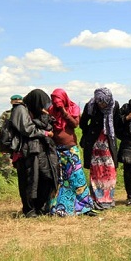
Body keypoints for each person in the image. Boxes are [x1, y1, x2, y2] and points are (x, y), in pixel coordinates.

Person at [48, 88, 97, 217]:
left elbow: (75, 124)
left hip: (70, 149)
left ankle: (84, 207)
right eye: (54, 101)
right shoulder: (51, 111)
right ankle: (61, 208)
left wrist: (63, 112)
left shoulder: (73, 107)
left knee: (77, 177)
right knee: (61, 179)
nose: (56, 104)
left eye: (58, 101)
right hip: (56, 149)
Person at [11, 89, 59, 218]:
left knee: (45, 177)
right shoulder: (21, 110)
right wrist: (44, 133)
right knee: (28, 180)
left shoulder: (39, 112)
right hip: (26, 152)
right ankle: (29, 209)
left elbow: (48, 125)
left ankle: (40, 207)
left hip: (42, 150)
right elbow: (27, 129)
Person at [80, 87, 120, 209]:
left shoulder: (114, 105)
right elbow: (83, 123)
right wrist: (89, 134)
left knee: (110, 171)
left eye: (104, 102)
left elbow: (117, 123)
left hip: (108, 143)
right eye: (99, 102)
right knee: (97, 172)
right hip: (95, 145)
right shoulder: (91, 105)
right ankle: (97, 199)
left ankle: (108, 199)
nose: (102, 104)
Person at [0, 94, 22, 178]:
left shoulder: (26, 113)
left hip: (21, 143)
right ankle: (5, 181)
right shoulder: (6, 114)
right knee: (6, 164)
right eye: (15, 102)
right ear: (11, 102)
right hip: (9, 142)